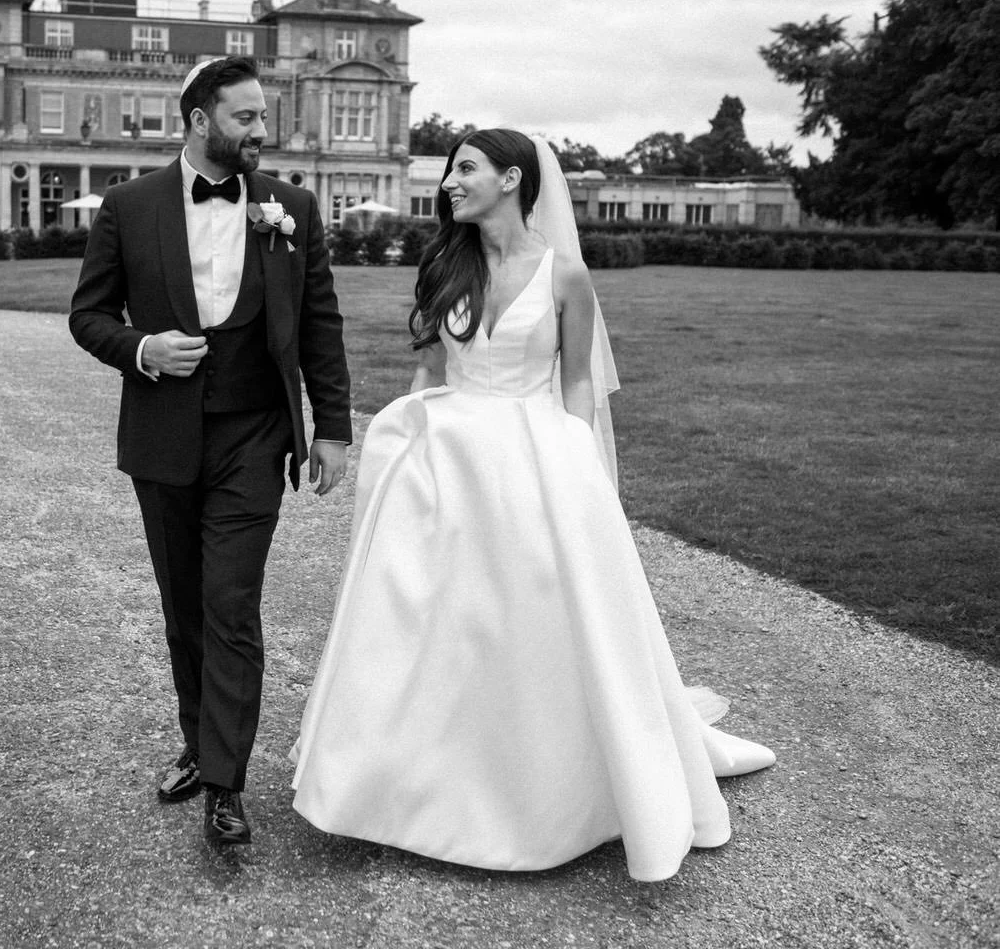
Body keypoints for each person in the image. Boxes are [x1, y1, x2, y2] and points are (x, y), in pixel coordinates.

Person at [289, 129, 775, 882]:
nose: (450, 182)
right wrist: (403, 440)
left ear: (512, 179)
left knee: (529, 618)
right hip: (445, 456)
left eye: (466, 169)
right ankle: (401, 779)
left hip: (533, 456)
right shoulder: (444, 263)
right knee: (422, 615)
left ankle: (539, 791)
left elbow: (577, 380)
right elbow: (428, 370)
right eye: (451, 171)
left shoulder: (565, 276)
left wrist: (579, 456)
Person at [70, 57, 352, 848]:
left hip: (256, 436)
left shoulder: (291, 207)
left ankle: (226, 784)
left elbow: (320, 323)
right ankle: (198, 744)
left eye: (263, 117)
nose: (263, 131)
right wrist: (142, 348)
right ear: (200, 121)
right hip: (164, 435)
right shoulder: (130, 207)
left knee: (231, 606)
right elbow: (88, 316)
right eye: (246, 118)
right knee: (184, 605)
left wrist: (330, 427)